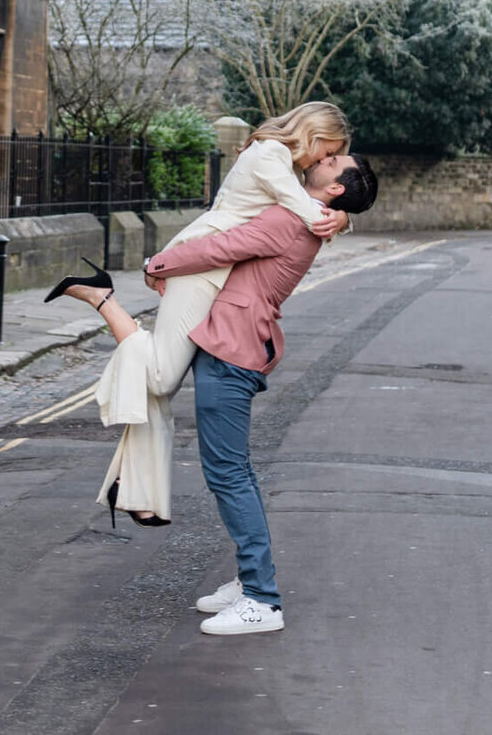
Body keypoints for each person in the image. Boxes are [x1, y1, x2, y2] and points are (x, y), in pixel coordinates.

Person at [47, 103, 352, 526]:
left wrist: (341, 214)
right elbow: (304, 212)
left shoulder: (280, 162)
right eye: (326, 152)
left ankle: (136, 493)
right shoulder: (270, 156)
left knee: (159, 390)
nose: (320, 162)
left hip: (215, 271)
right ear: (313, 134)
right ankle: (101, 297)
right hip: (202, 265)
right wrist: (339, 216)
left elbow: (301, 206)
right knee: (160, 378)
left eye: (328, 159)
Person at [127, 149, 379, 635]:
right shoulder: (307, 214)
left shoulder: (293, 221)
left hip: (231, 349)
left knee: (228, 474)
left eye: (332, 161)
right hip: (232, 342)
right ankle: (250, 581)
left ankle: (262, 599)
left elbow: (224, 247)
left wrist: (157, 262)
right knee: (232, 471)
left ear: (336, 189)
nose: (322, 157)